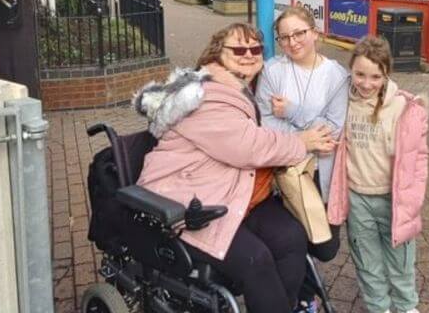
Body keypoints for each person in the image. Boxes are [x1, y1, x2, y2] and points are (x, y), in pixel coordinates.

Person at [134, 23, 336, 313]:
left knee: (292, 238)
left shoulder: (241, 88)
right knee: (257, 260)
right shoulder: (206, 94)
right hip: (191, 201)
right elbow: (247, 146)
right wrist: (302, 142)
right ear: (217, 52)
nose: (249, 54)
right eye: (239, 49)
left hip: (233, 190)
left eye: (255, 49)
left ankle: (287, 306)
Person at [255, 6, 349, 312]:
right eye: (284, 38)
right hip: (286, 172)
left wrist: (293, 112)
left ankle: (298, 290)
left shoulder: (336, 75)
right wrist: (304, 140)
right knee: (294, 240)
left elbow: (333, 127)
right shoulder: (273, 70)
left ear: (315, 33)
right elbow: (265, 124)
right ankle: (303, 297)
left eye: (299, 33)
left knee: (325, 247)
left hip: (324, 169)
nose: (292, 42)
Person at [327, 35, 429, 313]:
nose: (366, 83)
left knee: (401, 261)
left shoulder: (403, 108)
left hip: (393, 200)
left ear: (386, 75)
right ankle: (378, 307)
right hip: (358, 198)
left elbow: (419, 157)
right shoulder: (342, 103)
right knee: (366, 260)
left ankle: (407, 306)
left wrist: (415, 197)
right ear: (351, 71)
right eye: (359, 74)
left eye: (375, 76)